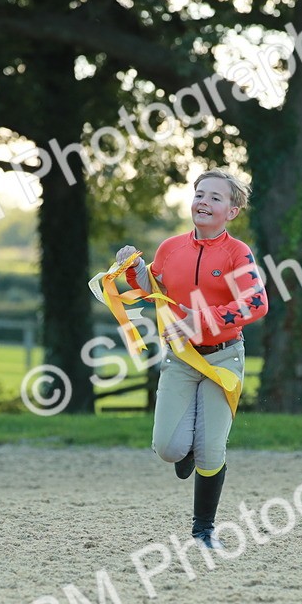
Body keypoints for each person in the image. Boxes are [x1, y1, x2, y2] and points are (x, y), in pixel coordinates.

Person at [114, 169, 268, 548]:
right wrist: (134, 271)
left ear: (231, 211)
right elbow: (156, 289)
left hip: (223, 359)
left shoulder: (238, 253)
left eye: (215, 198)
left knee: (212, 449)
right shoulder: (170, 248)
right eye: (200, 194)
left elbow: (256, 303)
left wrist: (200, 320)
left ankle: (203, 531)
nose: (204, 202)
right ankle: (186, 452)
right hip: (180, 359)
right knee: (168, 449)